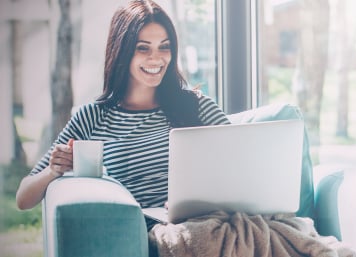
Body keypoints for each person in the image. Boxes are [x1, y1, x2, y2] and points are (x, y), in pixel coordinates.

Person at [16, 0, 229, 235]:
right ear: (122, 51)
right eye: (143, 48)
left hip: (207, 221)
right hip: (143, 234)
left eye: (164, 47)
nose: (156, 59)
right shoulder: (92, 117)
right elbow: (23, 198)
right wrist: (54, 170)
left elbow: (242, 163)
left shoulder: (197, 106)